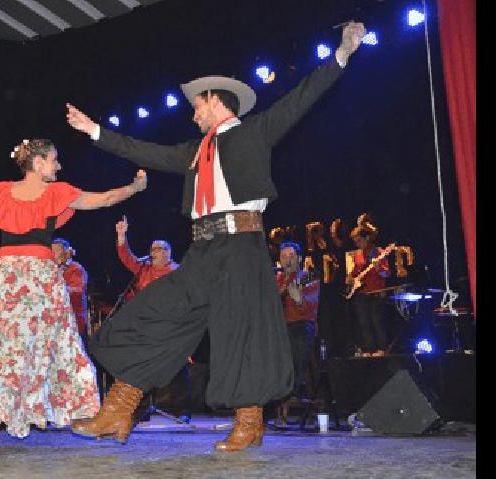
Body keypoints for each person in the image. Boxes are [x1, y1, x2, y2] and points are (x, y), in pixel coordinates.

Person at [65, 22, 367, 451]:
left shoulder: (254, 132)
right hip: (203, 249)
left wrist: (342, 53)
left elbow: (303, 96)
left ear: (216, 101)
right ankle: (119, 408)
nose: (193, 113)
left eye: (197, 105)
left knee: (239, 329)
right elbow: (143, 151)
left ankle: (250, 421)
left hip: (242, 245)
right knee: (156, 311)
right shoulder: (193, 152)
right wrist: (96, 132)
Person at [0, 138, 147, 449]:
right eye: (54, 160)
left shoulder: (0, 192)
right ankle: (80, 413)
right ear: (38, 163)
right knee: (43, 348)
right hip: (38, 278)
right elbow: (104, 199)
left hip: (4, 276)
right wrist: (135, 187)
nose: (58, 165)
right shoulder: (56, 193)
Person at [276, 242, 319, 395]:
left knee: (298, 335)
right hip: (279, 327)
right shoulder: (277, 279)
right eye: (284, 256)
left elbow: (311, 308)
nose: (287, 260)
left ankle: (292, 391)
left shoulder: (307, 277)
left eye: (291, 256)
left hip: (300, 325)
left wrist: (299, 300)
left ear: (299, 259)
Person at [346, 221, 390, 357]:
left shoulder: (378, 252)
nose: (357, 244)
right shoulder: (356, 255)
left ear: (366, 238)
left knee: (377, 321)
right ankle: (369, 349)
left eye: (359, 240)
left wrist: (378, 268)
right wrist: (350, 279)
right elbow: (353, 274)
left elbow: (386, 273)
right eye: (355, 241)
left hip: (376, 292)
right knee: (364, 322)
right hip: (361, 293)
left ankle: (382, 348)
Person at [115, 215, 178, 302]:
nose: (152, 253)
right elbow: (127, 258)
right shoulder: (145, 268)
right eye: (152, 250)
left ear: (167, 252)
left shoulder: (177, 272)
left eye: (157, 249)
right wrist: (121, 234)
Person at [51, 238, 90, 338]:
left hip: (74, 321)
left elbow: (78, 290)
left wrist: (58, 289)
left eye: (56, 250)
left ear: (66, 252)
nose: (53, 253)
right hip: (57, 321)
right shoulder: (52, 269)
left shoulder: (76, 268)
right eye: (52, 250)